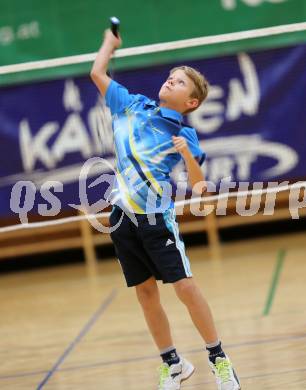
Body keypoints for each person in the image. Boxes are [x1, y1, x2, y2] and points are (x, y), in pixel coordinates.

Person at [90, 29, 241, 390]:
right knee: (145, 293)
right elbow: (98, 73)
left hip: (157, 217)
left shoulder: (184, 134)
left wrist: (187, 155)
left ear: (190, 102)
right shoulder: (130, 104)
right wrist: (109, 46)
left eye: (179, 83)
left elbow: (200, 186)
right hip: (122, 216)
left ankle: (219, 358)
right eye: (170, 78)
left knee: (185, 287)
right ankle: (173, 362)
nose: (170, 82)